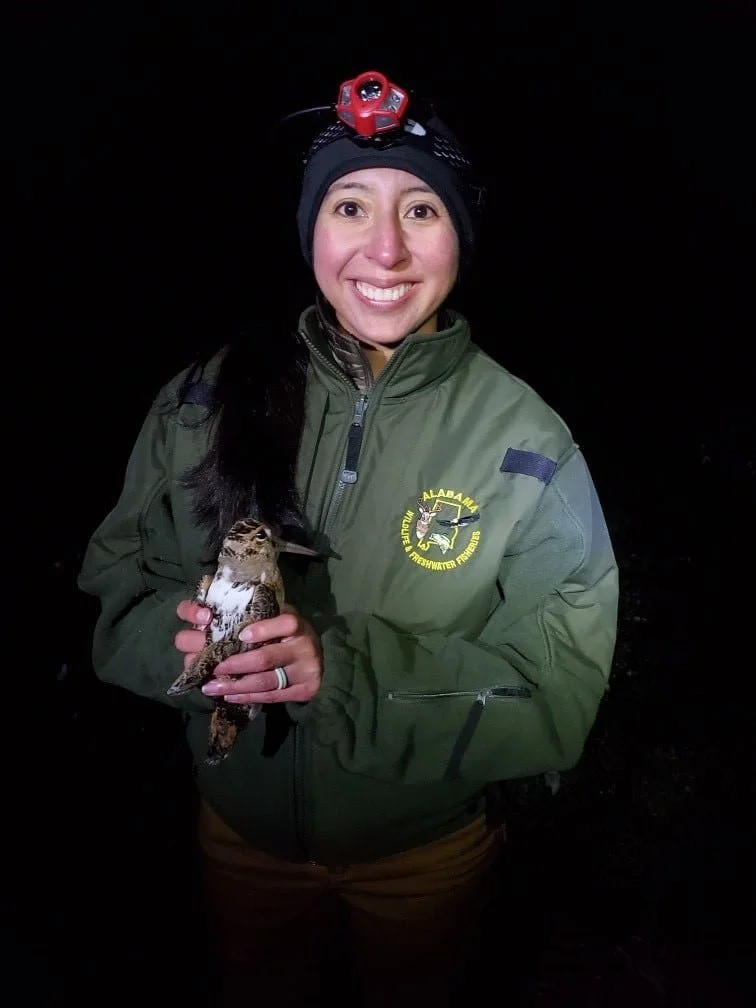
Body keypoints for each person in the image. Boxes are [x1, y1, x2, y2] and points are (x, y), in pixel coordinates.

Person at [78, 69, 619, 1007]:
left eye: (421, 211)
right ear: (309, 229)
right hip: (237, 836)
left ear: (462, 235)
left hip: (426, 854)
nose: (384, 249)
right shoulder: (206, 397)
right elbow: (117, 584)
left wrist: (350, 675)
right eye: (348, 205)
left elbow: (560, 692)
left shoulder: (529, 445)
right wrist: (186, 643)